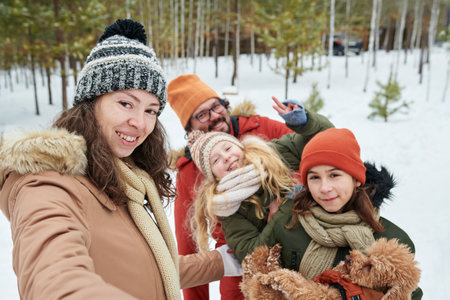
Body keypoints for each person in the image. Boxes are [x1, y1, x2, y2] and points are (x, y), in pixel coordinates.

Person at [0, 19, 241, 300]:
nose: (140, 123)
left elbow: (145, 270)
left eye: (151, 110)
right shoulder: (47, 184)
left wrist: (220, 262)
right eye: (126, 103)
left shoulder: (125, 179)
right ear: (90, 103)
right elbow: (54, 279)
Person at [219, 127, 423, 299]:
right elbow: (254, 262)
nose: (324, 188)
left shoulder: (392, 242)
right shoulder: (288, 221)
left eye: (334, 175)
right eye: (315, 178)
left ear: (356, 178)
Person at [166, 74, 308, 299]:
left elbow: (312, 153)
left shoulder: (260, 127)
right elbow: (188, 242)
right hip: (240, 261)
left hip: (300, 238)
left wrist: (290, 197)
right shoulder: (189, 171)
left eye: (216, 106)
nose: (214, 116)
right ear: (190, 127)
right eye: (202, 114)